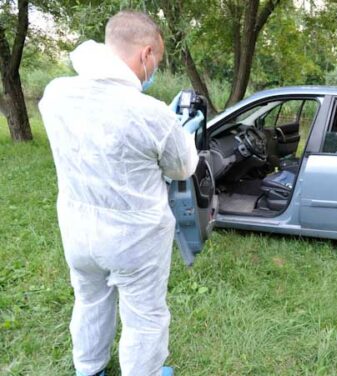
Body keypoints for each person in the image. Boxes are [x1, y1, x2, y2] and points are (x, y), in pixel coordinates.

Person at [39, 10, 203, 376]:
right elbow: (182, 167)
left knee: (90, 300)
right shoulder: (151, 114)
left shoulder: (56, 94)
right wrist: (181, 129)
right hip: (135, 239)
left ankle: (89, 368)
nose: (154, 69)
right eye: (156, 61)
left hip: (77, 229)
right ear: (146, 55)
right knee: (144, 315)